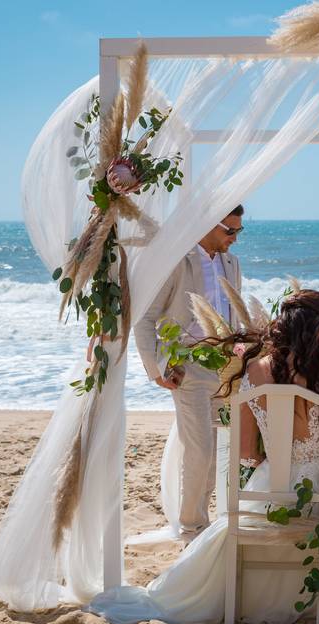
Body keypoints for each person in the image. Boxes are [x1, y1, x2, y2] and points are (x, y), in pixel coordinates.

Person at [90, 290, 319, 624]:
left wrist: (270, 465)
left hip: (270, 488)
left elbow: (245, 452)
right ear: (311, 326)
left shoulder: (254, 369)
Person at [133, 205, 244, 538]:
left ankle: (202, 520)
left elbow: (232, 314)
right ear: (209, 225)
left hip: (226, 368)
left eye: (240, 231)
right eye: (230, 231)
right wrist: (156, 370)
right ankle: (191, 525)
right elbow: (145, 317)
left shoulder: (231, 263)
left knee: (218, 452)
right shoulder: (177, 262)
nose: (235, 239)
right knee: (200, 449)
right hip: (187, 368)